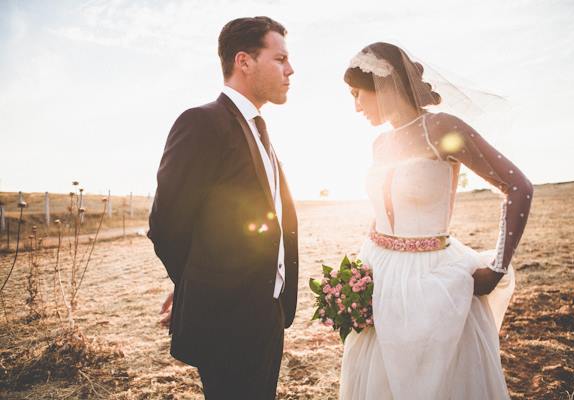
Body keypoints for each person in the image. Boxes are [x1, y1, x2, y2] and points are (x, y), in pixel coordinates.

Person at [339, 42, 533, 399]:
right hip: (380, 276)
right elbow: (384, 208)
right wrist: (355, 280)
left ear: (385, 83)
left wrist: (498, 267)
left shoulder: (441, 128)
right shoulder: (379, 144)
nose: (356, 106)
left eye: (357, 94)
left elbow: (518, 187)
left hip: (433, 280)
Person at [148, 16, 298, 399]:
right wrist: (196, 285)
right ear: (244, 61)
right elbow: (167, 223)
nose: (290, 69)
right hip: (227, 318)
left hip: (269, 312)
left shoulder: (259, 131)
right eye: (280, 59)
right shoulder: (201, 122)